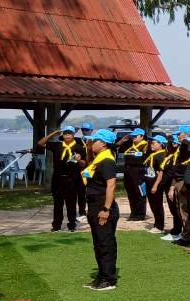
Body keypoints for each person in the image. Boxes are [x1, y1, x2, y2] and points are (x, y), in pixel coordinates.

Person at [82, 128, 120, 290]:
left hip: (102, 204)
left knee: (105, 243)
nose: (92, 143)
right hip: (94, 204)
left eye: (95, 140)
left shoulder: (107, 161)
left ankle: (109, 279)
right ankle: (102, 275)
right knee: (98, 243)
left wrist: (106, 209)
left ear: (103, 143)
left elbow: (111, 185)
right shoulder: (98, 159)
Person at [38, 124, 87, 232]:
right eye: (65, 133)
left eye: (70, 133)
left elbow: (84, 163)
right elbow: (41, 143)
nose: (67, 135)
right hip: (58, 178)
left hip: (72, 178)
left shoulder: (79, 147)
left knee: (71, 203)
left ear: (73, 135)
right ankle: (56, 225)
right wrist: (53, 134)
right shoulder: (57, 145)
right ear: (62, 135)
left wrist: (79, 160)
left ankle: (72, 224)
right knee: (58, 203)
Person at [119, 128, 149, 221]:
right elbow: (117, 148)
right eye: (133, 136)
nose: (134, 138)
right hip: (128, 171)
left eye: (136, 136)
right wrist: (122, 141)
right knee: (131, 193)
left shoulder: (146, 145)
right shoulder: (128, 145)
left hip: (139, 172)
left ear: (142, 136)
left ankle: (140, 214)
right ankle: (133, 213)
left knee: (140, 193)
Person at [144, 134, 169, 234]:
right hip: (149, 182)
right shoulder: (152, 154)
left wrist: (155, 185)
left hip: (156, 184)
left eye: (154, 143)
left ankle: (159, 226)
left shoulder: (161, 155)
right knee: (152, 205)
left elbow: (161, 172)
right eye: (151, 143)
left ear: (160, 144)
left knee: (157, 205)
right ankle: (156, 223)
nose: (151, 145)